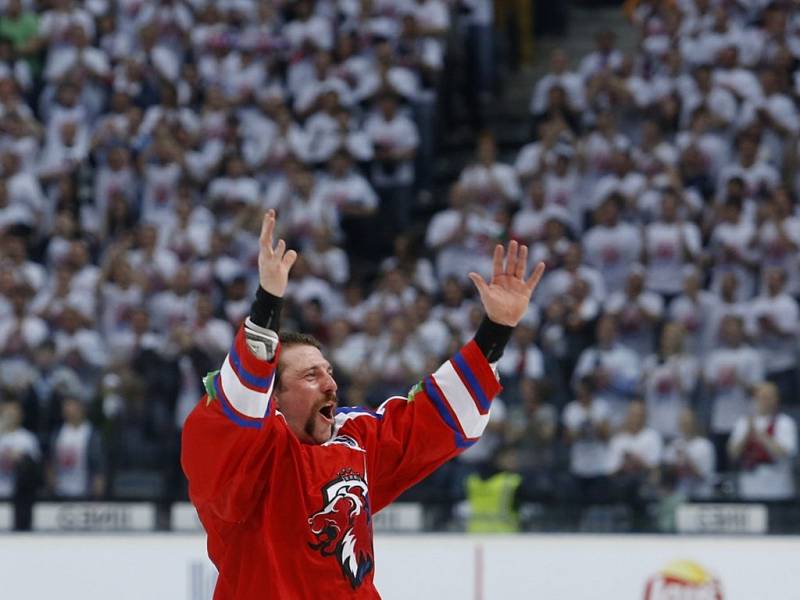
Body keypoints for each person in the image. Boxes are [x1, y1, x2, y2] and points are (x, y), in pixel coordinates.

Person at [181, 209, 545, 598]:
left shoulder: (354, 440)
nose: (330, 383)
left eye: (328, 370)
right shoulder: (244, 459)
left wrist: (496, 330)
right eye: (310, 376)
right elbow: (236, 411)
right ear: (272, 397)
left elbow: (435, 422)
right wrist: (267, 303)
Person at [728, 382, 797, 500]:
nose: (764, 401)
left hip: (777, 487)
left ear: (776, 400)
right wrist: (747, 434)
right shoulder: (744, 423)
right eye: (761, 397)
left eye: (768, 397)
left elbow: (785, 453)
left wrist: (762, 436)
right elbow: (732, 454)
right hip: (750, 485)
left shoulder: (785, 423)